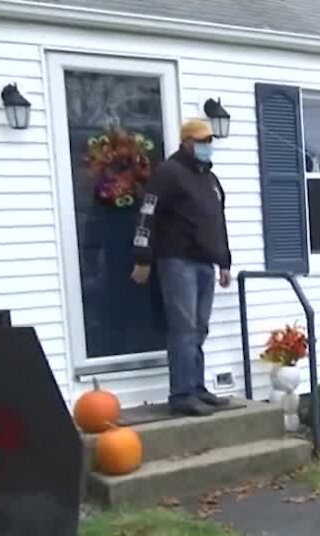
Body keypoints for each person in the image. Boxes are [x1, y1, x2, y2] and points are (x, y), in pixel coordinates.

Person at [130, 118, 233, 417]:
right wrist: (142, 257)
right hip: (177, 261)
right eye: (201, 141)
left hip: (205, 263)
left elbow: (217, 222)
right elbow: (147, 214)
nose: (207, 146)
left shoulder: (210, 179)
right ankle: (181, 394)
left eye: (209, 141)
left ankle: (197, 387)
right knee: (183, 329)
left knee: (199, 329)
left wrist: (224, 261)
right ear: (187, 142)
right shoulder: (168, 173)